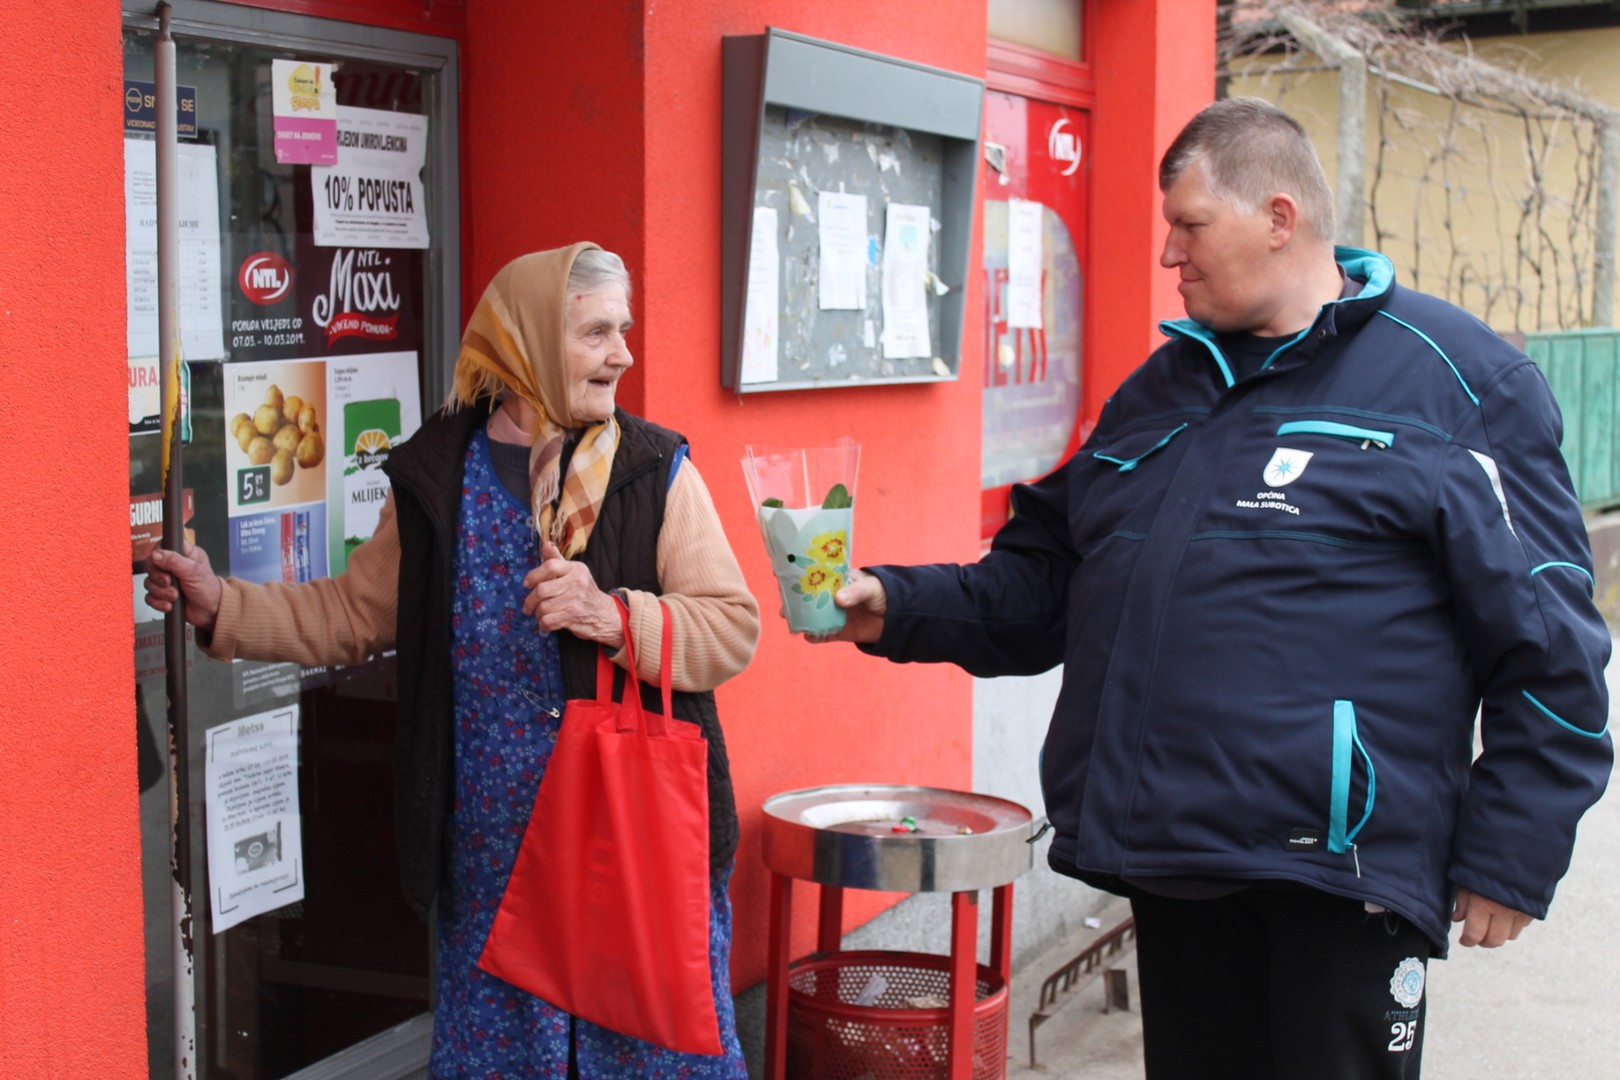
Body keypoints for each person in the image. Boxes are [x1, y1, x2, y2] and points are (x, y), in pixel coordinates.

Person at [825, 98, 1612, 1079]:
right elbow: (1050, 578)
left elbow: (1548, 634)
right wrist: (895, 604)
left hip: (1342, 871)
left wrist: (1512, 849)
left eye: (1189, 224)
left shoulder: (1460, 380)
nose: (1169, 255)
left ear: (1278, 217)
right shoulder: (1163, 391)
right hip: (1175, 855)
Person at [144, 243, 760, 1078]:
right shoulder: (442, 474)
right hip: (495, 867)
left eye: (624, 330)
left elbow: (731, 629)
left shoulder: (656, 472)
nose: (622, 353)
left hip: (633, 857)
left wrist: (614, 615)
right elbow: (353, 612)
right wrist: (224, 605)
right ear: (528, 339)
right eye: (595, 332)